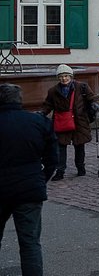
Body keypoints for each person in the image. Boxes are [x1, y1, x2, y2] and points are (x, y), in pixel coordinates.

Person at [0, 82, 55, 276]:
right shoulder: (38, 123)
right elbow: (53, 159)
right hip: (29, 188)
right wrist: (41, 178)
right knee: (30, 243)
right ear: (20, 100)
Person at [42, 65, 97, 179]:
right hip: (62, 122)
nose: (64, 79)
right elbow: (48, 105)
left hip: (79, 121)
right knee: (61, 146)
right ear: (58, 77)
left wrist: (95, 105)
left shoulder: (82, 87)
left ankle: (81, 167)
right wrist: (41, 113)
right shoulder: (53, 91)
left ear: (71, 76)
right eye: (61, 76)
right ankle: (60, 171)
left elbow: (93, 98)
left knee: (79, 145)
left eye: (66, 76)